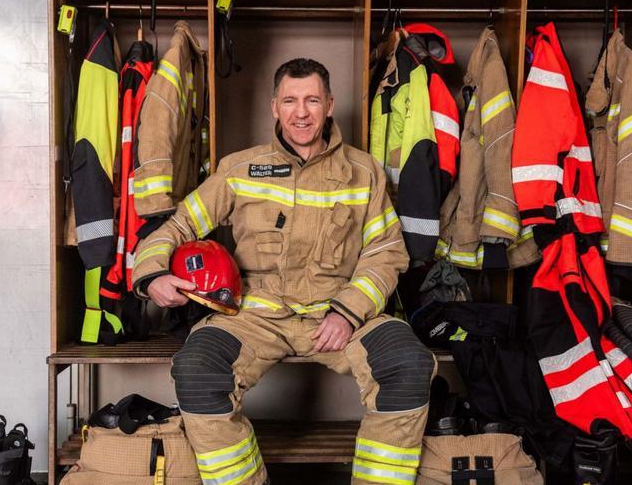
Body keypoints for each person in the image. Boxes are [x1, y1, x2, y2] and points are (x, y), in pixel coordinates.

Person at [131, 58, 436, 485]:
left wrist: (348, 311)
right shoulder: (239, 168)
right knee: (197, 371)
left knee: (407, 364)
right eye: (290, 100)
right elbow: (179, 225)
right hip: (253, 318)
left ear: (329, 105)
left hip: (339, 318)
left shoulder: (363, 172)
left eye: (312, 100)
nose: (301, 112)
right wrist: (152, 275)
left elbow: (386, 251)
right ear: (274, 106)